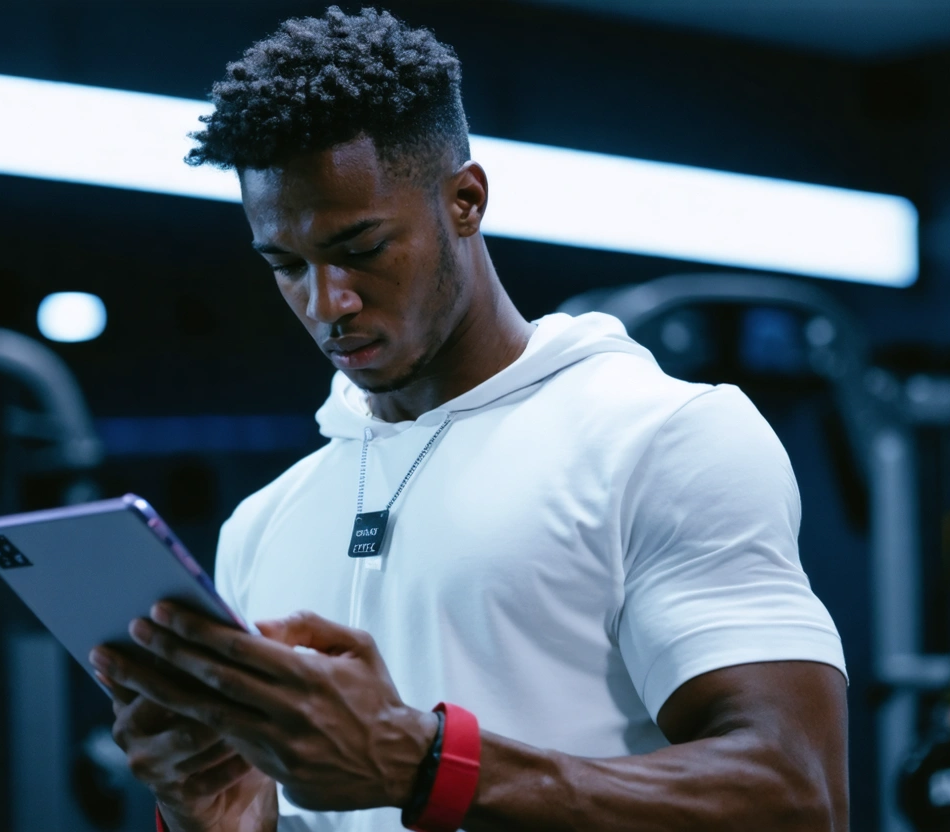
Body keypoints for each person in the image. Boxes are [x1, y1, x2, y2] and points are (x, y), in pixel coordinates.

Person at [90, 7, 850, 831]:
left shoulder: (660, 438)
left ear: (466, 200)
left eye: (362, 248)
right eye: (286, 265)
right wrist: (214, 816)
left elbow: (797, 796)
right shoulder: (263, 524)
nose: (326, 302)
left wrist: (425, 764)